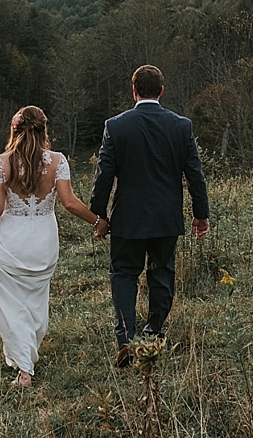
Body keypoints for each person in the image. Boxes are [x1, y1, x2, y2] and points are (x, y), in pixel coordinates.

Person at [0, 105, 105, 387]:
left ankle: (24, 368)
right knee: (36, 302)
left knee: (9, 304)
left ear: (14, 129)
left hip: (10, 241)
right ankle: (27, 353)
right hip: (44, 240)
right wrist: (98, 221)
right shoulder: (58, 161)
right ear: (44, 130)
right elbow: (70, 203)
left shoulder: (2, 163)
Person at [89, 64, 210, 368]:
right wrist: (201, 214)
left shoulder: (116, 126)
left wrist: (98, 215)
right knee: (162, 272)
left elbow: (104, 175)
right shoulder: (181, 126)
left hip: (128, 218)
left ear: (134, 91)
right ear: (161, 91)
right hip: (165, 218)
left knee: (124, 274)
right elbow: (195, 174)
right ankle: (153, 331)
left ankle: (126, 339)